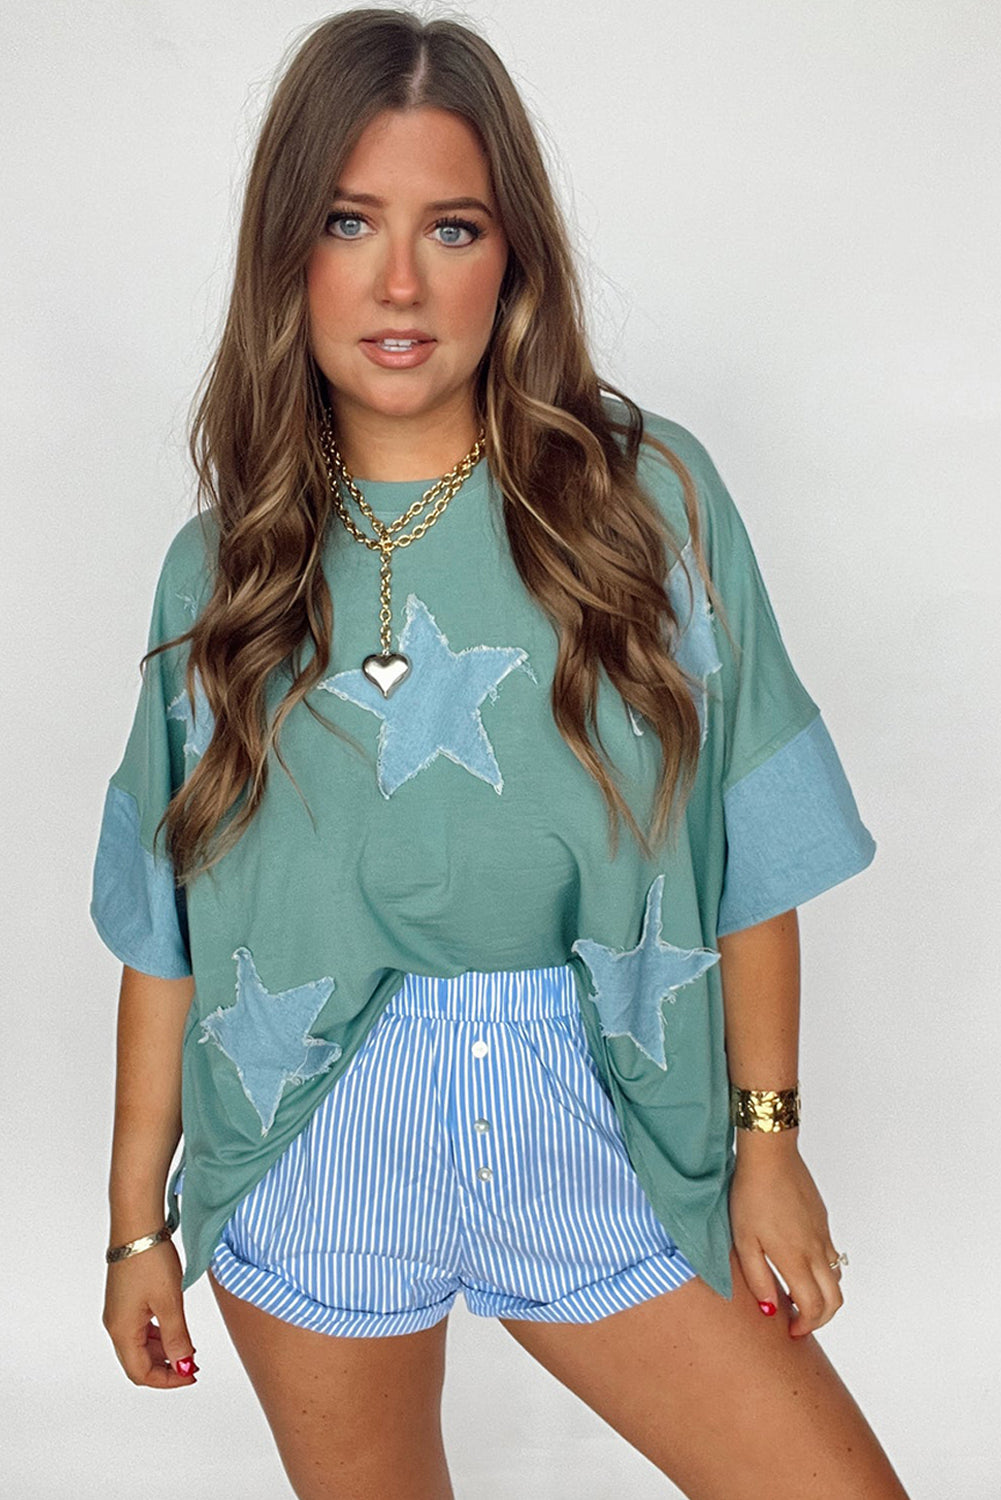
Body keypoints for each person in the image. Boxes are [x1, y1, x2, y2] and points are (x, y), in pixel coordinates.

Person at [91, 8, 912, 1498]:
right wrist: (136, 1225)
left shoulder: (645, 502)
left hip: (604, 1115)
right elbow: (166, 926)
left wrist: (769, 1142)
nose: (400, 282)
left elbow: (750, 838)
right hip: (312, 1138)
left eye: (452, 228)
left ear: (512, 254)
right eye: (350, 221)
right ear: (288, 250)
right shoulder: (222, 571)